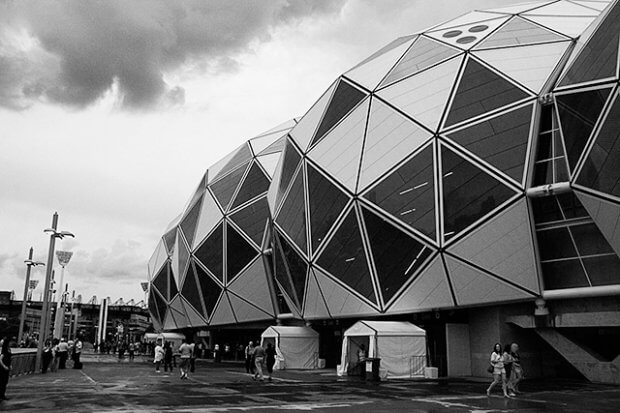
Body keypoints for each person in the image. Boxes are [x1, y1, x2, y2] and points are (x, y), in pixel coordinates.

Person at [0, 336, 12, 401]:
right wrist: (4, 366)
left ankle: (2, 394)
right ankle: (1, 395)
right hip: (3, 368)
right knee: (2, 381)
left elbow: (10, 358)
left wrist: (10, 365)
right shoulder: (4, 350)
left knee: (5, 382)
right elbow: (0, 359)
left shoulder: (9, 349)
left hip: (7, 367)